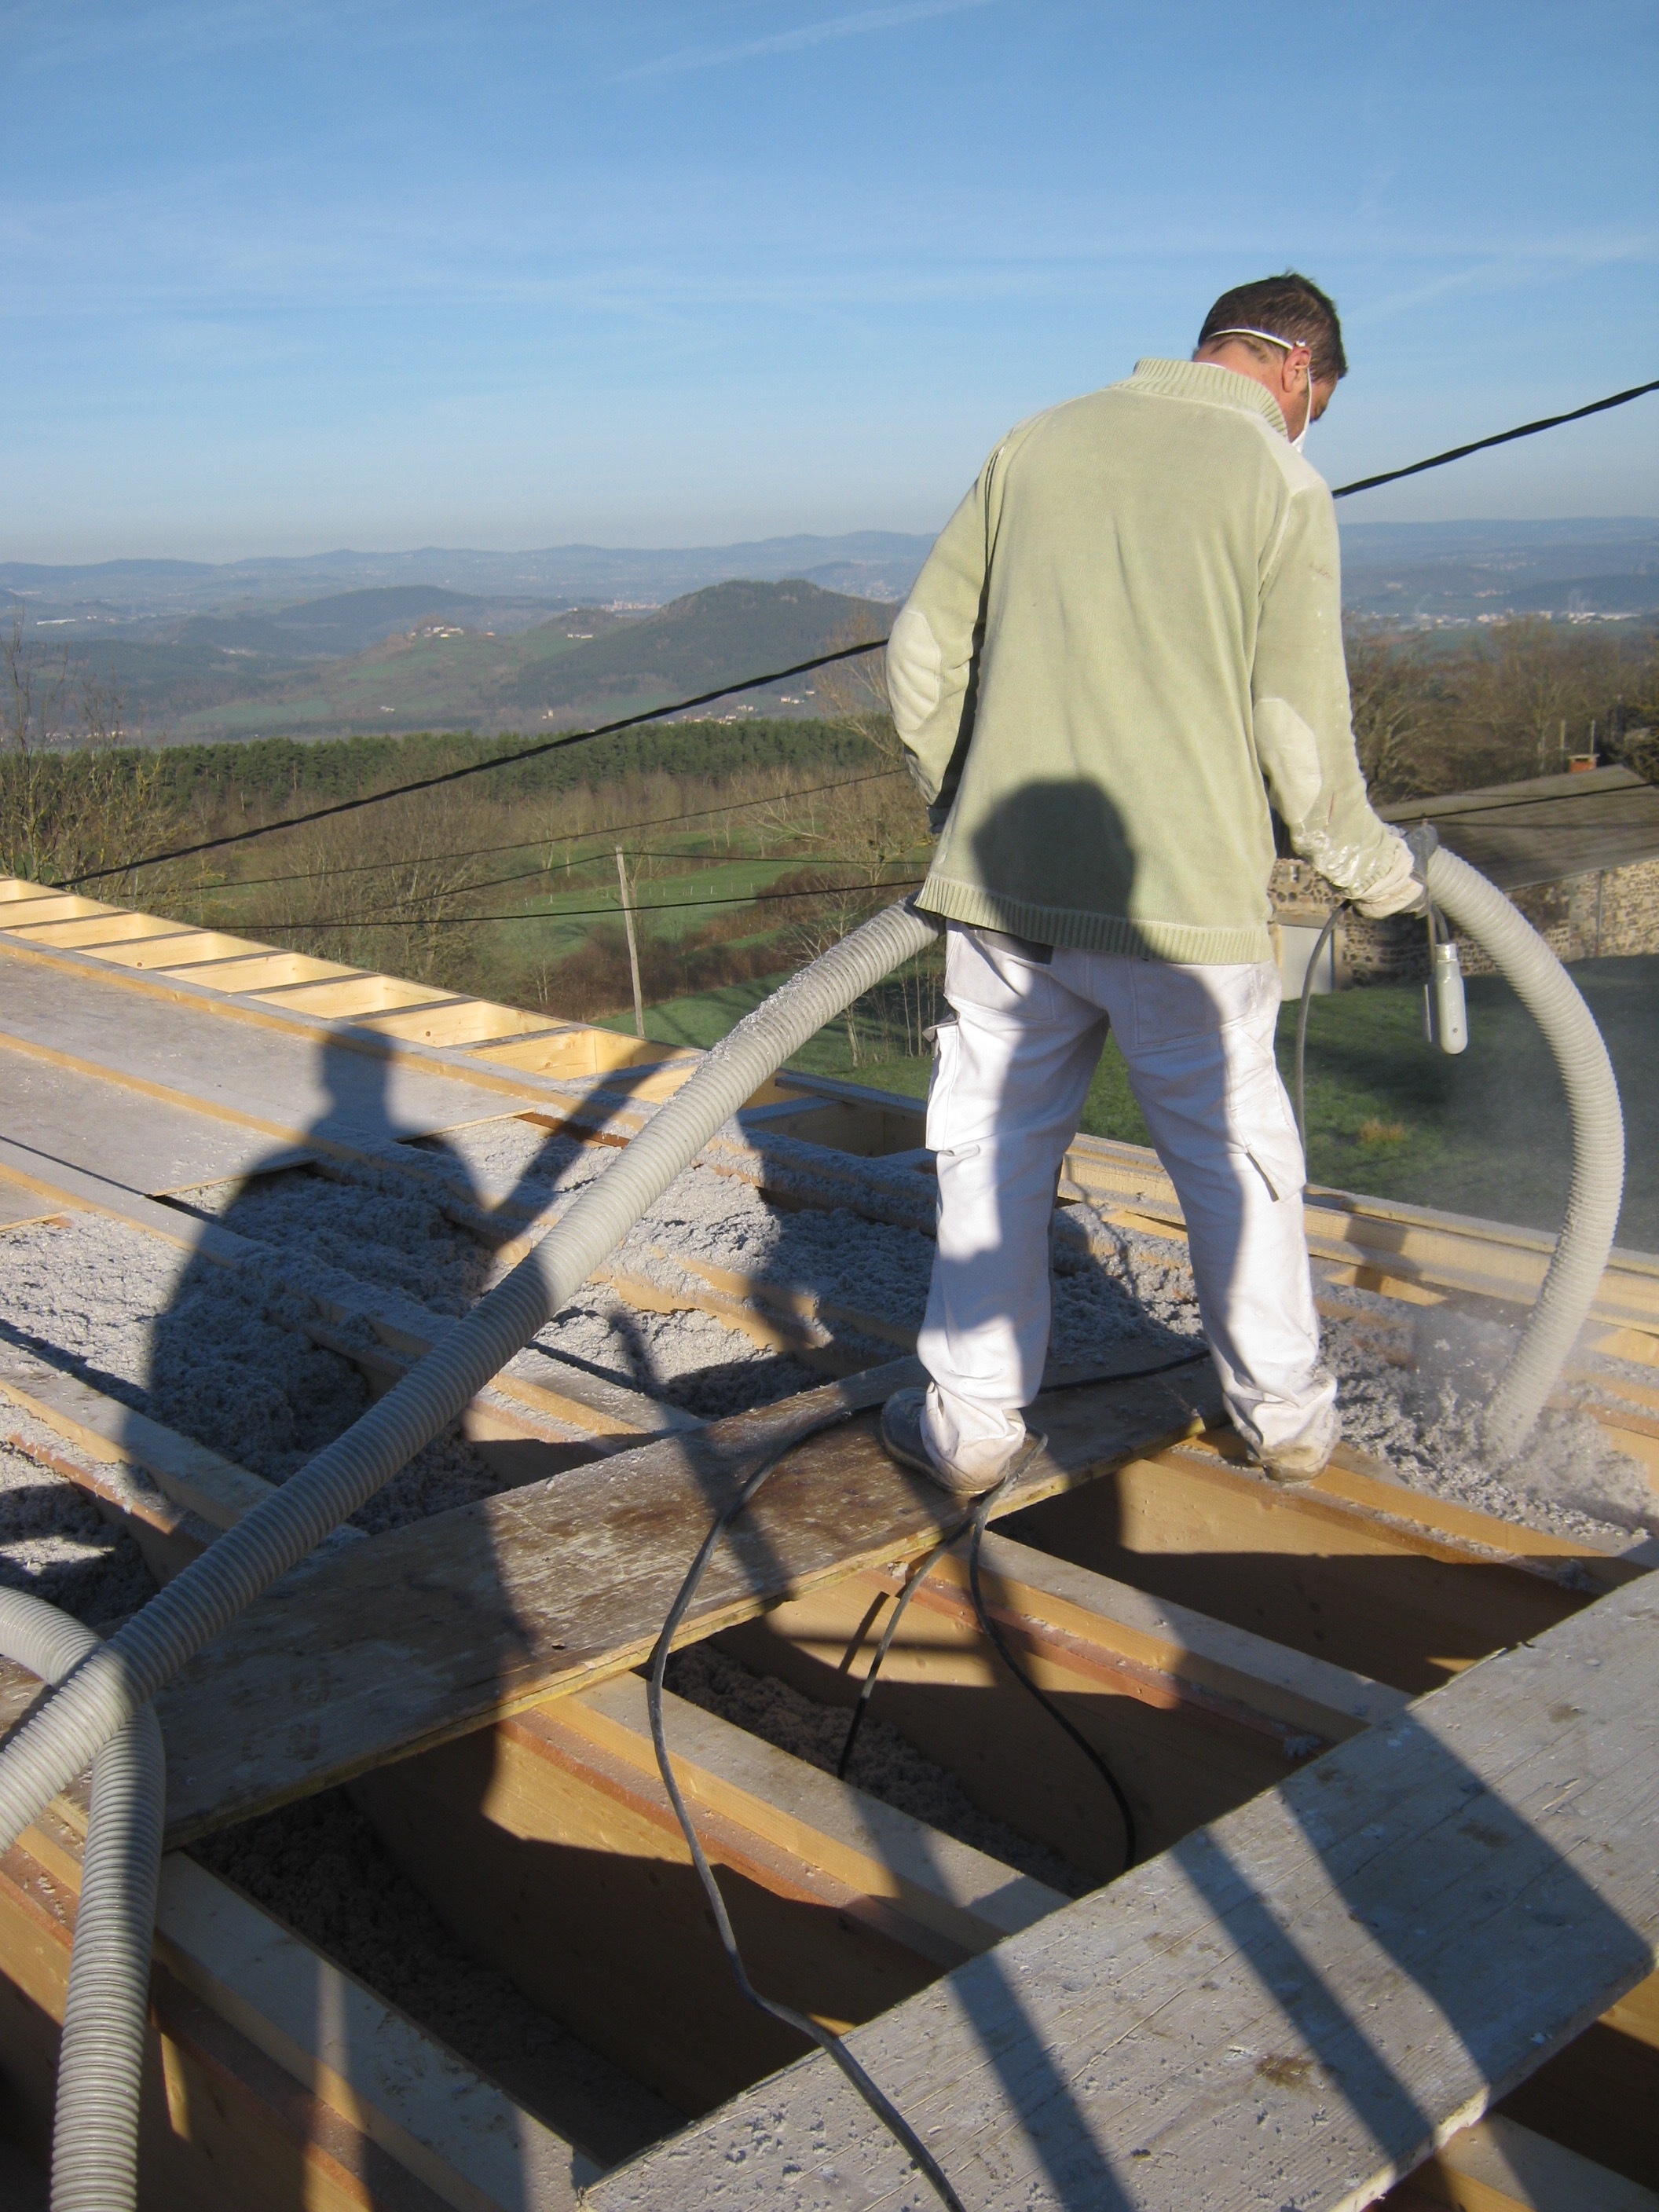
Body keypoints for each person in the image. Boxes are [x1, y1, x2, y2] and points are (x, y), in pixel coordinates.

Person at [879, 273, 1423, 1500]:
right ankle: (1283, 1423)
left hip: (1002, 894)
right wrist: (1370, 870)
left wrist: (963, 808)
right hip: (1180, 907)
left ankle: (968, 1432)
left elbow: (919, 660)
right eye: (1316, 404)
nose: (1306, 424)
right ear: (1300, 368)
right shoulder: (1278, 479)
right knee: (1235, 1162)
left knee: (988, 1155)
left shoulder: (1039, 439)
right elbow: (1296, 722)